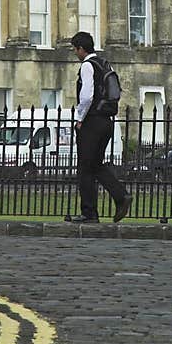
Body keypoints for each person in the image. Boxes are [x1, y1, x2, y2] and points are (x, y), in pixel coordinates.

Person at [68, 32, 131, 224]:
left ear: (80, 48)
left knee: (85, 168)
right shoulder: (105, 64)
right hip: (107, 121)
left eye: (75, 49)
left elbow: (86, 96)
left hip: (92, 121)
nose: (75, 53)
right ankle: (121, 197)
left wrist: (79, 118)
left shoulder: (87, 66)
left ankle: (89, 213)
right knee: (96, 164)